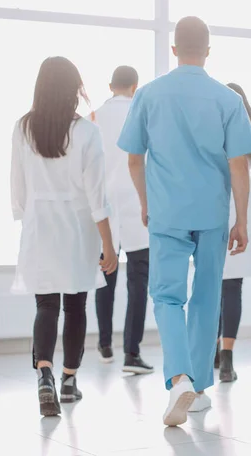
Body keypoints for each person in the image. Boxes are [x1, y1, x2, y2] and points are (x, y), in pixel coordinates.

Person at [117, 16, 251, 427]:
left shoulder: (149, 95)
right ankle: (196, 388)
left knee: (166, 296)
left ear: (174, 49)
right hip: (213, 213)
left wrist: (145, 202)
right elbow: (239, 167)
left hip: (167, 212)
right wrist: (243, 220)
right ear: (208, 51)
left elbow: (133, 158)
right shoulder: (226, 100)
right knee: (206, 297)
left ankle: (179, 377)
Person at [10, 56, 118, 417]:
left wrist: (34, 214)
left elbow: (19, 192)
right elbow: (96, 196)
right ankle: (70, 380)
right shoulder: (87, 132)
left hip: (39, 227)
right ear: (74, 90)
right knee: (75, 305)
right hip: (77, 228)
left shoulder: (23, 128)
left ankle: (45, 375)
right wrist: (107, 243)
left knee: (45, 306)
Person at [91, 66, 153, 375]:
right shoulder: (142, 110)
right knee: (138, 280)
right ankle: (132, 352)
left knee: (106, 274)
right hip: (136, 201)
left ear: (110, 85)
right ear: (135, 85)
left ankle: (104, 345)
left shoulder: (94, 116)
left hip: (103, 204)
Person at [213, 82, 251, 383]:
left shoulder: (210, 130)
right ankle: (227, 356)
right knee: (233, 287)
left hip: (213, 206)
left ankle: (212, 352)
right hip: (243, 208)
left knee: (212, 285)